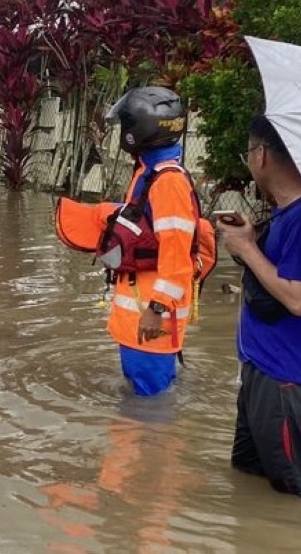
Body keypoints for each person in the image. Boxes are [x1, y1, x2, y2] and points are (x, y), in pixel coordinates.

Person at [216, 114, 301, 498]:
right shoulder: (287, 213)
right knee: (248, 477)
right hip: (262, 370)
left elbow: (300, 299)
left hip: (286, 380)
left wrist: (247, 248)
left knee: (296, 497)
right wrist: (251, 239)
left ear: (261, 155)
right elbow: (276, 273)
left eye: (248, 152)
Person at [103, 87, 198, 396]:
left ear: (138, 131)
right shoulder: (152, 173)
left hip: (151, 316)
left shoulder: (167, 182)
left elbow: (177, 254)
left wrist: (157, 308)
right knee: (140, 401)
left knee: (151, 409)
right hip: (141, 315)